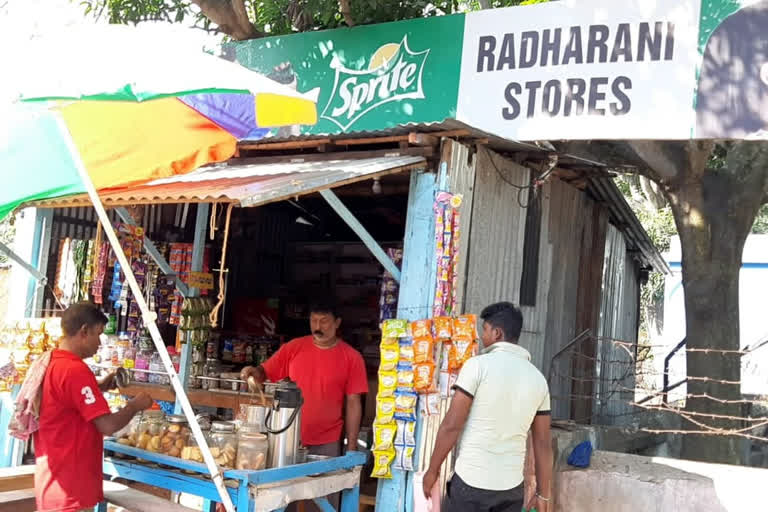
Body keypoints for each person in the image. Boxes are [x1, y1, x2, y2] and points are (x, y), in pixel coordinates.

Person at [423, 302, 553, 512]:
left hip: (470, 485)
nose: (481, 336)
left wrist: (432, 470)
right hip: (511, 490)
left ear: (497, 333)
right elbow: (543, 443)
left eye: (484, 330)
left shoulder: (477, 366)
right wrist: (543, 495)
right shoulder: (538, 379)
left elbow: (452, 426)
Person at [34, 303, 153, 512]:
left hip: (52, 482)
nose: (100, 343)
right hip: (70, 488)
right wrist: (135, 405)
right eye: (98, 334)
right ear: (84, 331)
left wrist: (100, 386)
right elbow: (107, 425)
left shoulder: (52, 361)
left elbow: (66, 400)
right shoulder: (75, 370)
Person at [240, 300, 369, 457]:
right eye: (313, 321)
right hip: (286, 435)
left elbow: (353, 404)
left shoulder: (352, 358)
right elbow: (264, 372)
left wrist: (352, 447)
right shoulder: (294, 348)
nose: (317, 327)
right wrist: (252, 372)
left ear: (337, 323)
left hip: (327, 441)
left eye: (324, 321)